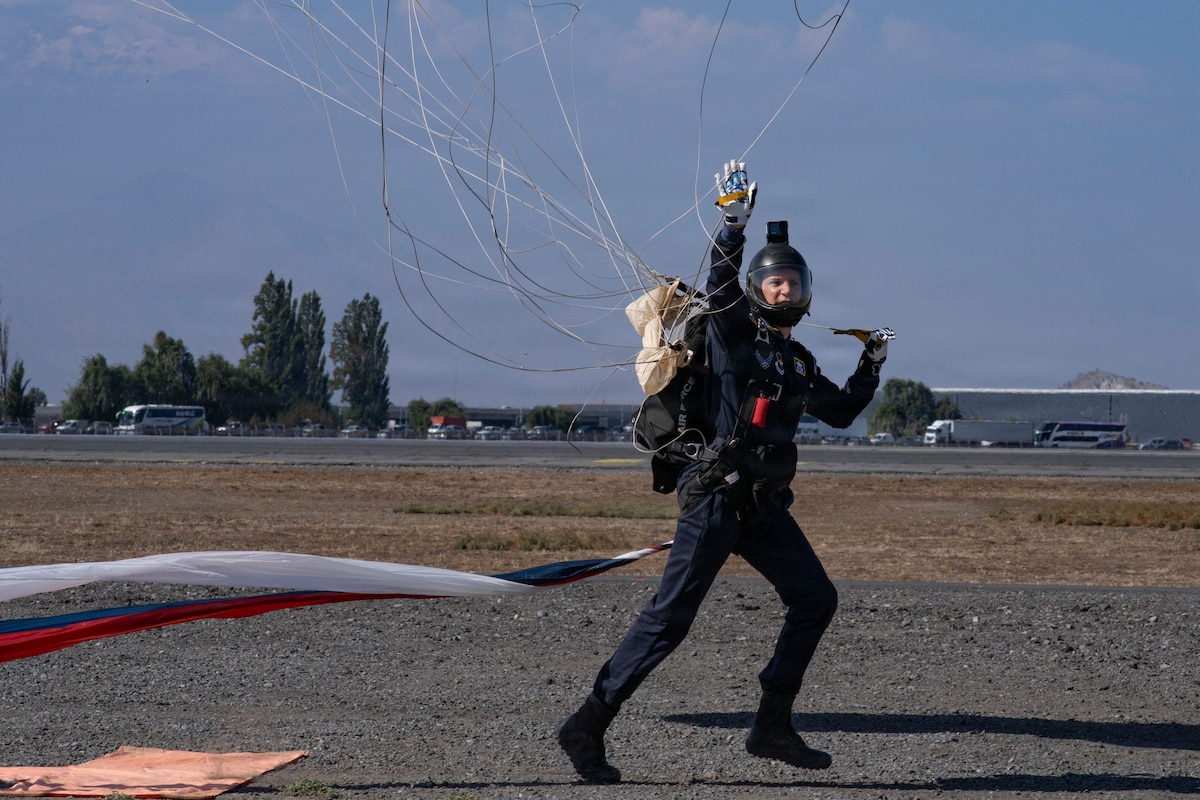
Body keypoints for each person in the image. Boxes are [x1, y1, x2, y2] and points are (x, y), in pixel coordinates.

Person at [557, 160, 893, 784]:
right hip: (716, 497)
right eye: (773, 283)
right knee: (668, 622)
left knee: (815, 598)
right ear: (758, 289)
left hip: (763, 508)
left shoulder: (794, 361)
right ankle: (586, 726)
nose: (783, 290)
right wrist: (731, 223)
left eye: (792, 281)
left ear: (807, 288)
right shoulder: (731, 335)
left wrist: (871, 362)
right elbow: (717, 284)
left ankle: (771, 725)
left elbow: (842, 412)